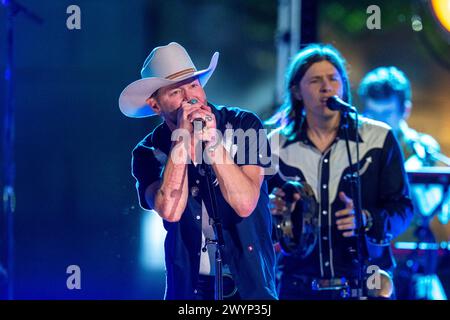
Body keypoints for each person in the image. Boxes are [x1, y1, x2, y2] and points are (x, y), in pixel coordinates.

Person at [118, 42, 277, 300]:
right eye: (176, 92)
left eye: (194, 85)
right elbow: (169, 210)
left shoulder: (244, 126)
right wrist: (182, 140)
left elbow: (246, 203)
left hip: (251, 287)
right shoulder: (148, 151)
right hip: (190, 289)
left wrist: (212, 143)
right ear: (155, 105)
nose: (191, 97)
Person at [265, 44, 413, 300]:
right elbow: (255, 219)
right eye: (315, 80)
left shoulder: (378, 138)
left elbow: (403, 209)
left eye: (334, 79)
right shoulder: (274, 145)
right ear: (296, 91)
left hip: (363, 283)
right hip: (297, 285)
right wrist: (270, 211)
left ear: (343, 86)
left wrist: (366, 218)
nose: (327, 87)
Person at [358, 66, 450, 299]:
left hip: (414, 260)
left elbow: (440, 214)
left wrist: (417, 171)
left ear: (405, 110)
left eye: (386, 112)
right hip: (369, 259)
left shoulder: (420, 150)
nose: (378, 120)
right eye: (371, 112)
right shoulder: (352, 149)